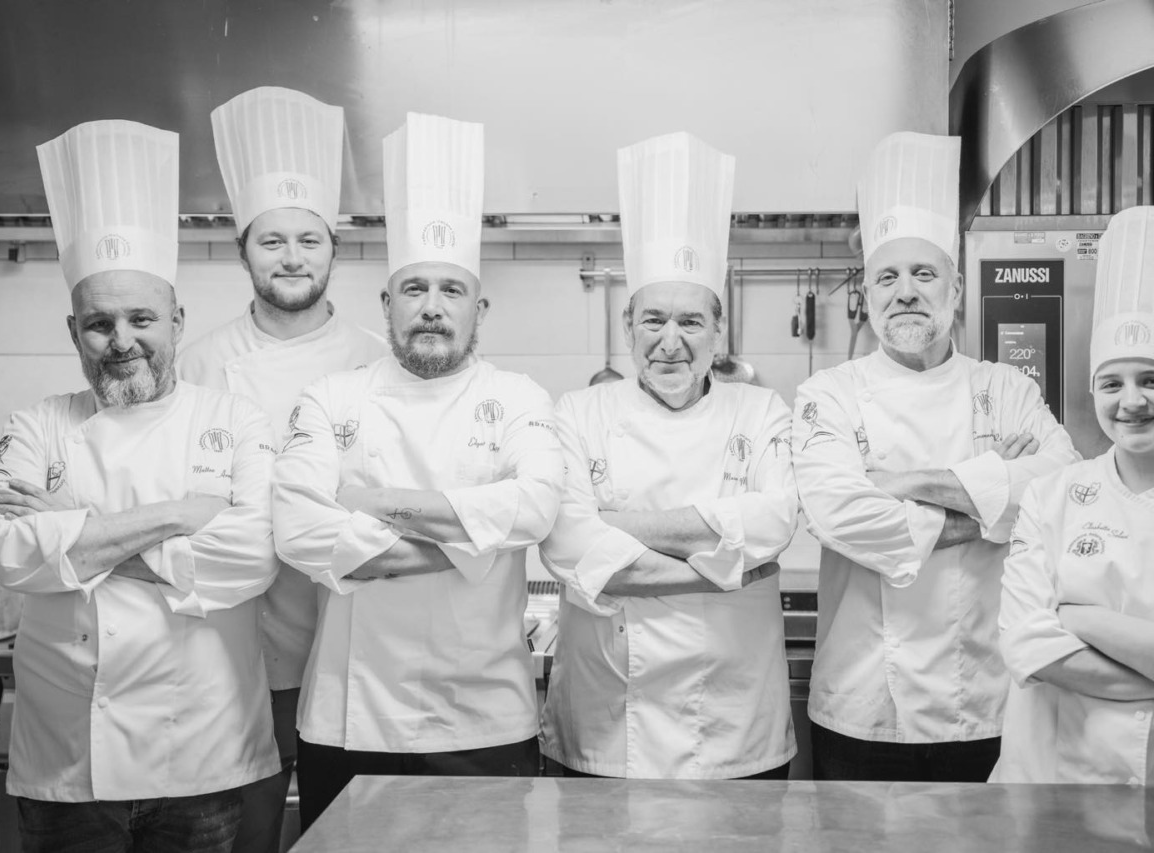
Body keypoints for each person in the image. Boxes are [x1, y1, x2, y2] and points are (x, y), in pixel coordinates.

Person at [0, 120, 279, 853]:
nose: (122, 341)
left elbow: (250, 559)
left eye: (142, 318)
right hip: (66, 765)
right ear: (72, 328)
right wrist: (180, 515)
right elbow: (8, 554)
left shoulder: (234, 418)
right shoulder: (38, 422)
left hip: (200, 756)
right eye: (99, 323)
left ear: (176, 321)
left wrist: (76, 531)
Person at [271, 112, 563, 828]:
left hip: (484, 721)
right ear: (387, 304)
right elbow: (296, 529)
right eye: (414, 289)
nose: (432, 308)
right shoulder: (332, 397)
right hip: (351, 717)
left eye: (451, 290)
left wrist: (367, 500)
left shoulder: (519, 397)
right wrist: (468, 540)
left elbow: (535, 510)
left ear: (480, 308)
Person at [791, 131, 1078, 782]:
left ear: (954, 287)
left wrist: (904, 481)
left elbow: (1058, 488)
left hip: (983, 700)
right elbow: (838, 513)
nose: (906, 292)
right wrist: (989, 507)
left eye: (924, 274)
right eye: (887, 277)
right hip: (862, 703)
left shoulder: (1005, 387)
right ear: (867, 293)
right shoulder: (829, 394)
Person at [538, 132, 797, 780]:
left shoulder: (761, 411)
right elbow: (567, 542)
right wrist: (731, 564)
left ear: (720, 330)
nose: (670, 342)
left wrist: (617, 527)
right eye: (653, 320)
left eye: (690, 322)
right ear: (628, 326)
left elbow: (777, 521)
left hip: (737, 731)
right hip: (605, 729)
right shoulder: (577, 412)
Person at [176, 86, 388, 853]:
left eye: (309, 239)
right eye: (272, 242)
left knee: (352, 835)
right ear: (242, 252)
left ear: (334, 249)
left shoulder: (376, 360)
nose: (293, 257)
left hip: (351, 643)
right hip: (236, 653)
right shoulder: (198, 364)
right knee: (245, 831)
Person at [992, 206, 1154, 851]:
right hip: (1051, 779)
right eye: (1112, 383)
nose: (1132, 401)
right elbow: (1025, 645)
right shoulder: (1051, 496)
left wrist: (1081, 620)